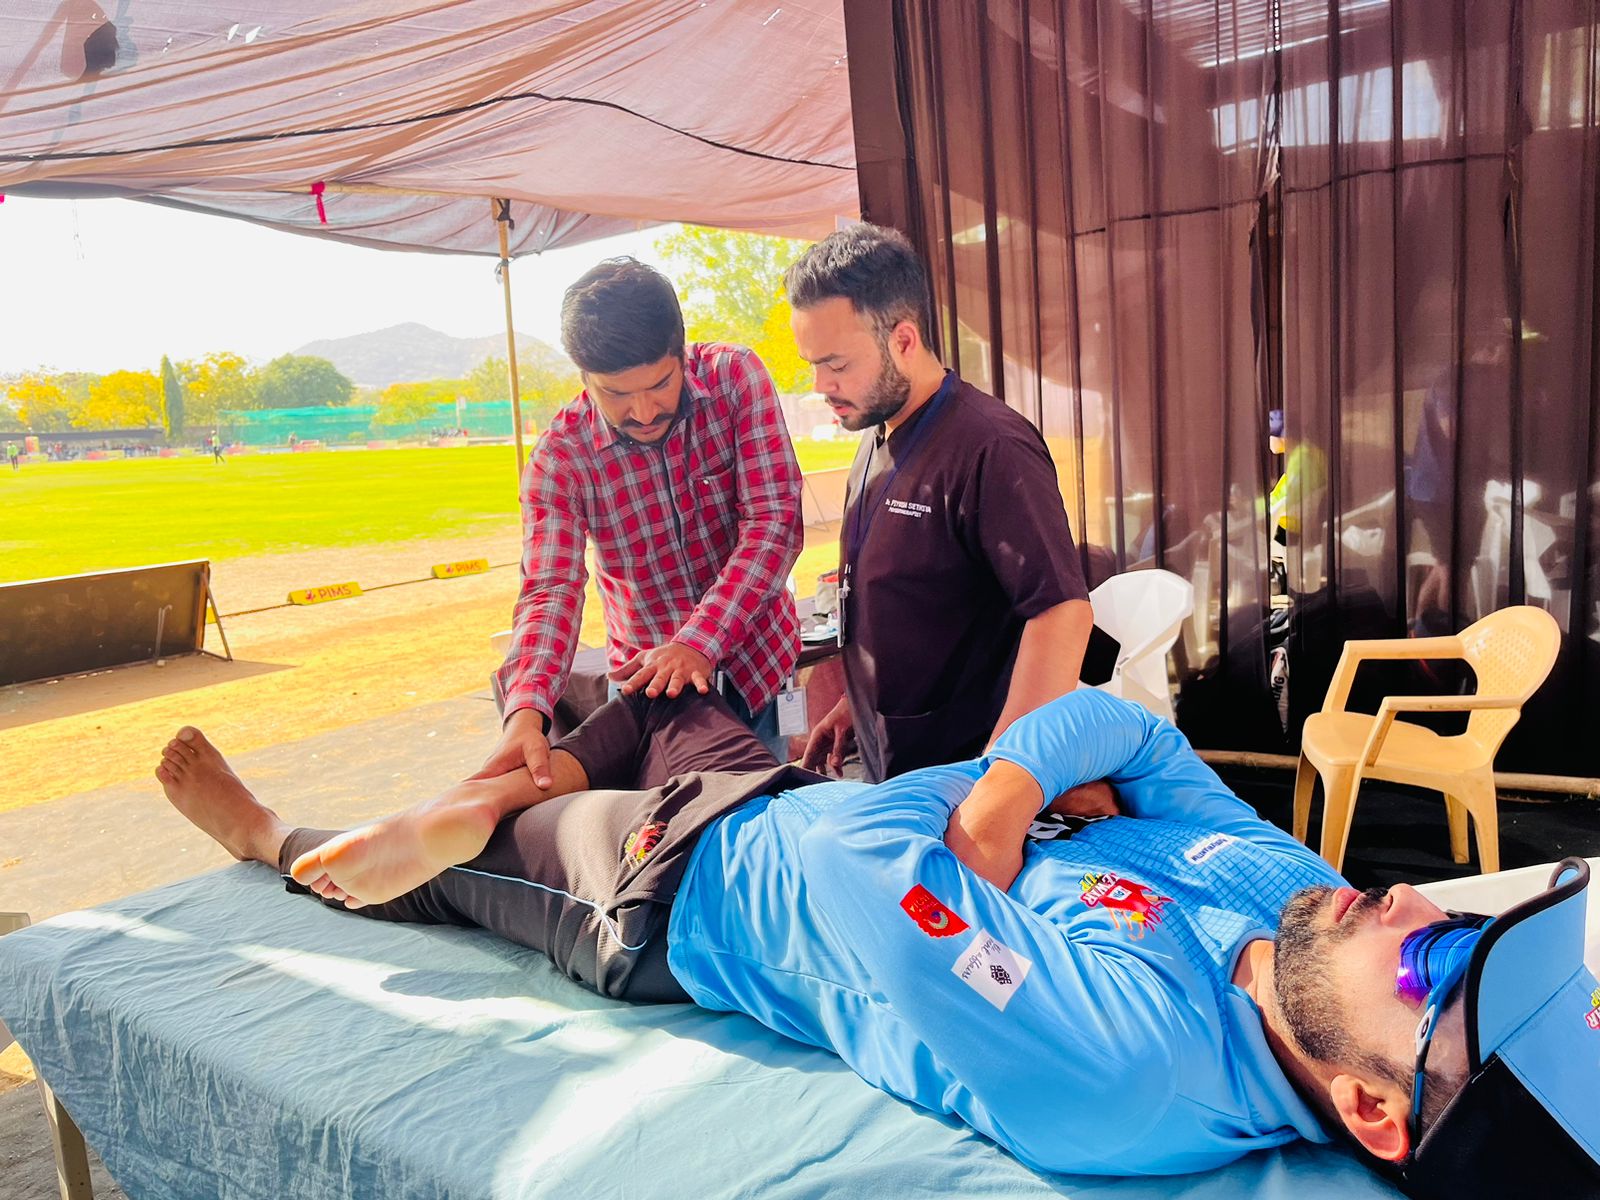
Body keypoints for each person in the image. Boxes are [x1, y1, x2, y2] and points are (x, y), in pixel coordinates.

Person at [154, 688, 1598, 1195]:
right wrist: (1012, 798)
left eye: (1435, 968)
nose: (1416, 908)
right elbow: (1133, 725)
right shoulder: (1301, 895)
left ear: (1371, 1112)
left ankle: (283, 838)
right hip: (803, 793)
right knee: (648, 702)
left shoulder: (1132, 1066)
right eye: (1467, 918)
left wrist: (1007, 801)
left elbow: (862, 878)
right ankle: (507, 784)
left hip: (683, 885)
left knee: (449, 867)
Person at [786, 224, 1093, 782]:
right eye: (812, 364)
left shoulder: (991, 445)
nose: (819, 384)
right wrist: (856, 703)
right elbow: (913, 600)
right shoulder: (877, 431)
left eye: (836, 364)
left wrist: (1004, 772)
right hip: (893, 763)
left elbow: (1061, 613)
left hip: (965, 774)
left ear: (903, 340)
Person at [486, 256, 803, 785]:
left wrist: (698, 641)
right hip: (653, 694)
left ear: (681, 352)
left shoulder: (734, 379)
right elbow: (551, 589)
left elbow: (774, 522)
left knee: (759, 802)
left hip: (756, 666)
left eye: (660, 384)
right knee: (672, 822)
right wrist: (526, 710)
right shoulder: (560, 458)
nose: (644, 411)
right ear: (584, 376)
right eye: (616, 394)